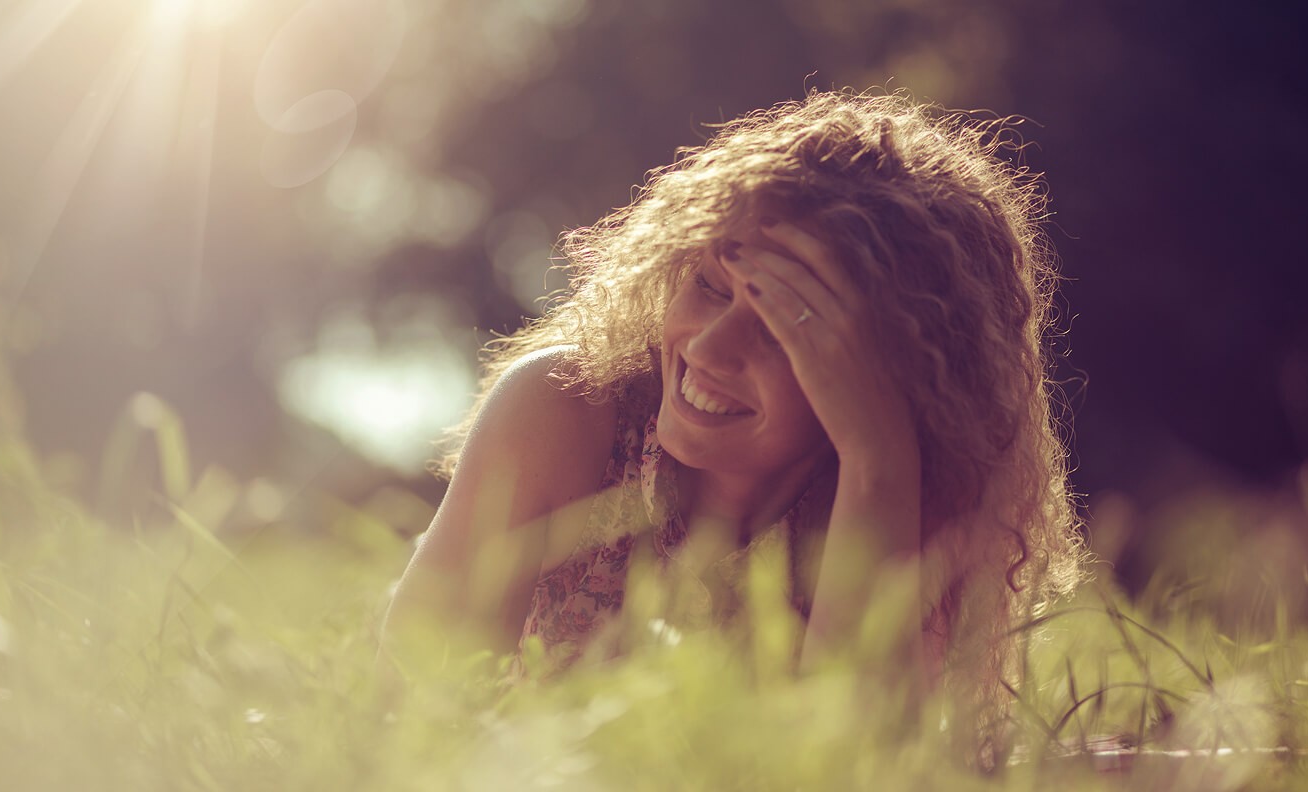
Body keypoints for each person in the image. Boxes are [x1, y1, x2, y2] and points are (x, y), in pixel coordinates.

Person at [379, 90, 1085, 752]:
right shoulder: (563, 408)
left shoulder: (916, 503)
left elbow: (858, 766)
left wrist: (879, 462)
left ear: (884, 379)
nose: (709, 345)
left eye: (783, 330)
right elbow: (405, 715)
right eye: (710, 286)